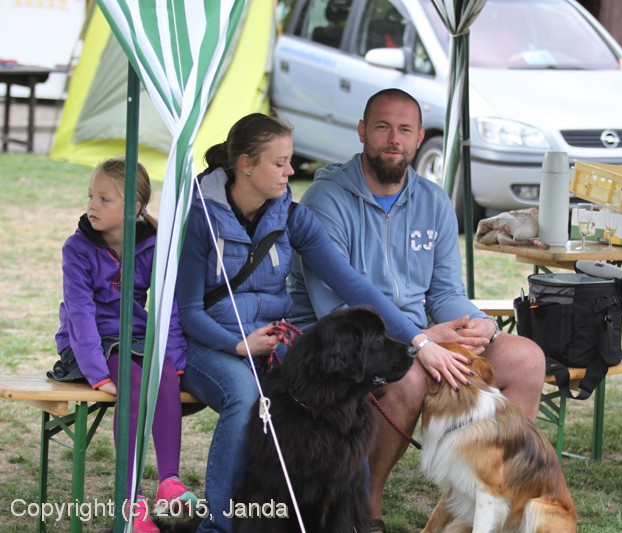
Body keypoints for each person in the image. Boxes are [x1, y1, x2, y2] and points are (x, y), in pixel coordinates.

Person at [175, 112, 476, 533]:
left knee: (343, 387)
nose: (290, 172)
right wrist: (240, 346)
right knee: (245, 397)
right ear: (246, 165)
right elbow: (188, 311)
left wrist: (418, 340)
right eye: (279, 163)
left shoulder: (290, 215)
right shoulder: (200, 218)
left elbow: (354, 285)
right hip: (208, 345)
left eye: (289, 160)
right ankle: (218, 527)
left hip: (271, 337)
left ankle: (352, 519)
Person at [288, 88, 546, 531]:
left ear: (420, 137)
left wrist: (478, 323)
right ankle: (366, 510)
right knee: (407, 378)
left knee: (527, 359)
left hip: (420, 334)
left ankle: (480, 494)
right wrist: (420, 339)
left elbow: (444, 292)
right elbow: (336, 310)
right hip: (342, 341)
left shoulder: (433, 200)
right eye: (383, 127)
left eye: (405, 130)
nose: (394, 139)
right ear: (362, 131)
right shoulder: (326, 200)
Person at [51, 158, 196, 533]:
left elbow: (168, 308)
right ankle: (130, 503)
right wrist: (97, 374)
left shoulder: (154, 245)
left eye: (104, 199)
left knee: (163, 373)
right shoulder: (78, 248)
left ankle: (169, 482)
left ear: (133, 207)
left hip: (133, 336)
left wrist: (174, 360)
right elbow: (80, 314)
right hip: (88, 345)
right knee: (132, 382)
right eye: (91, 196)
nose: (92, 206)